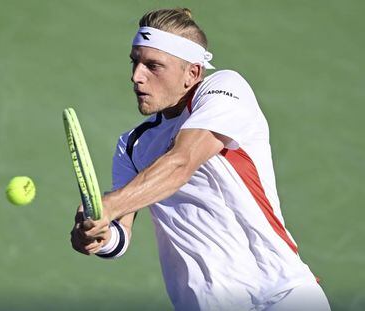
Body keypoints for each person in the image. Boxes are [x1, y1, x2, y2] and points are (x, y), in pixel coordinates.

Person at [70, 8, 331, 311]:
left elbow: (181, 162)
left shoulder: (223, 91)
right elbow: (120, 235)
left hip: (281, 297)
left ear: (192, 73)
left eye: (153, 66)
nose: (136, 76)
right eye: (135, 61)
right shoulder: (132, 145)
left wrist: (110, 204)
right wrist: (99, 236)